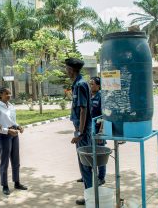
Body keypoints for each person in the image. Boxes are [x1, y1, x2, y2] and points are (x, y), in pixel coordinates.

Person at [65, 58, 93, 206]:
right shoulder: (78, 83)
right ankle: (90, 194)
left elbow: (83, 110)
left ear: (71, 70)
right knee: (85, 164)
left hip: (82, 132)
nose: (65, 71)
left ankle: (90, 197)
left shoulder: (81, 84)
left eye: (66, 68)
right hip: (81, 130)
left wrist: (79, 133)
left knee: (85, 165)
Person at [0, 87, 28, 196]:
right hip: (4, 136)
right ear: (1, 94)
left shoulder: (11, 106)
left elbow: (13, 121)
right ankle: (5, 185)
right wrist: (7, 131)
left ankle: (17, 182)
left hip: (14, 134)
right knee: (5, 162)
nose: (9, 95)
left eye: (10, 93)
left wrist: (18, 126)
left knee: (16, 160)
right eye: (7, 93)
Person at [89, 76, 106, 186]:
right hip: (90, 129)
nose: (90, 86)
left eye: (92, 84)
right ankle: (88, 175)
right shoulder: (90, 96)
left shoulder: (101, 97)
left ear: (98, 86)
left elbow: (104, 115)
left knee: (100, 154)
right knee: (90, 153)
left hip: (98, 129)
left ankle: (101, 177)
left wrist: (101, 130)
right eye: (89, 84)